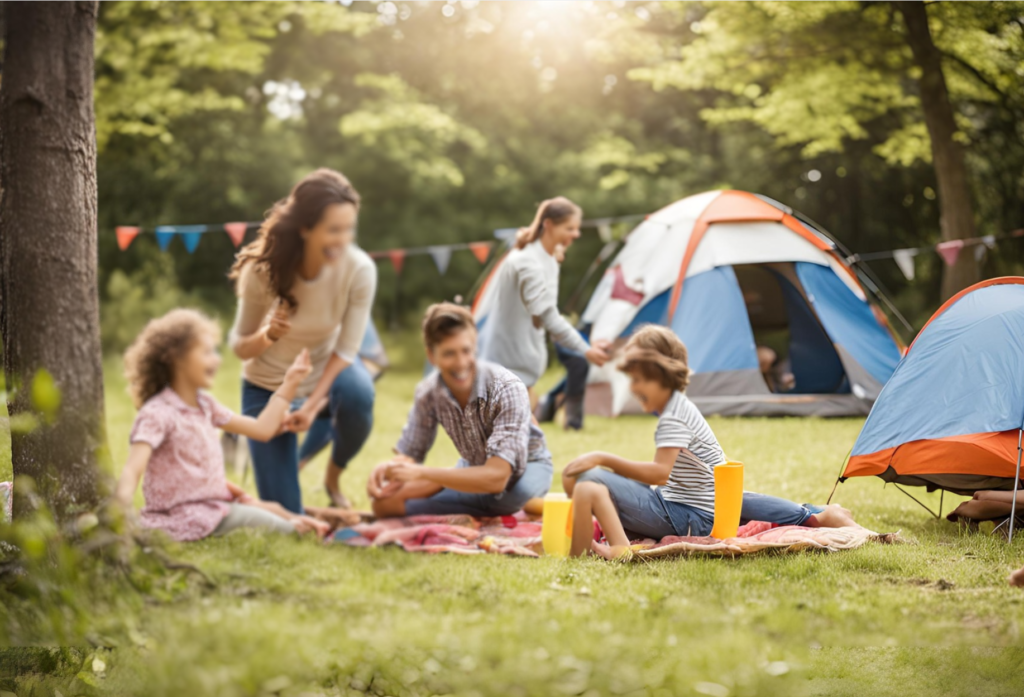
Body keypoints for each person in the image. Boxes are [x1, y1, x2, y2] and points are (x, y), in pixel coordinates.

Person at [562, 325, 860, 559]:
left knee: (583, 476)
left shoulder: (674, 416)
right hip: (682, 504)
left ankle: (618, 548)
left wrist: (603, 457)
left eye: (639, 379)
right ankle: (611, 541)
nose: (634, 387)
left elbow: (659, 473)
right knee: (585, 479)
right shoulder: (678, 406)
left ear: (661, 375)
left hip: (688, 517)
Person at [229, 169, 377, 512]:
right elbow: (239, 346)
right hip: (267, 386)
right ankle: (289, 483)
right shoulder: (262, 270)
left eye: (349, 229)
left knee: (359, 392)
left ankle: (331, 472)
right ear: (305, 228)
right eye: (333, 230)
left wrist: (311, 407)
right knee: (286, 517)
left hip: (326, 376)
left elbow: (347, 350)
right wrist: (268, 335)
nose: (343, 241)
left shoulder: (360, 269)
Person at [114, 309, 330, 541]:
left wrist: (290, 382)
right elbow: (132, 470)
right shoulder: (157, 413)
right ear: (175, 358)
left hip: (214, 506)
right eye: (206, 352)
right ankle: (299, 527)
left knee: (274, 510)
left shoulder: (205, 405)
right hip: (190, 516)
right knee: (287, 530)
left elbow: (262, 429)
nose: (216, 359)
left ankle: (304, 522)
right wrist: (118, 515)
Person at [368, 303, 553, 518]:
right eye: (449, 354)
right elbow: (410, 455)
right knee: (384, 505)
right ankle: (464, 510)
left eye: (466, 351)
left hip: (524, 469)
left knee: (506, 496)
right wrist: (386, 469)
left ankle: (465, 506)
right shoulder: (428, 393)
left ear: (474, 346)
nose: (461, 363)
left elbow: (498, 478)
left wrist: (426, 475)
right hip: (472, 468)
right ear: (431, 356)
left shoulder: (507, 386)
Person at [477, 197, 609, 405]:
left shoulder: (547, 260)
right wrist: (585, 349)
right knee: (519, 428)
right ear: (548, 224)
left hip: (524, 361)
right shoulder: (527, 263)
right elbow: (549, 317)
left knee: (521, 426)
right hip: (508, 361)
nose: (576, 234)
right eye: (570, 228)